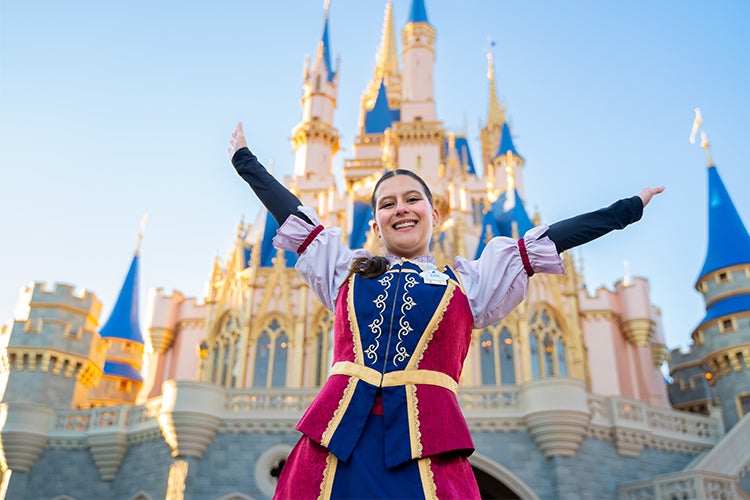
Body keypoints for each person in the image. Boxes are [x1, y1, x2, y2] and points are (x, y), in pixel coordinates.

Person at [228, 122, 663, 499]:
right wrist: (246, 162)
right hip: (333, 445)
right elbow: (294, 216)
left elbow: (545, 241)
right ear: (374, 224)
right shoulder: (345, 271)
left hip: (426, 450)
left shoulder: (468, 283)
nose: (401, 207)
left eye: (412, 198)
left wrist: (625, 211)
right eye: (387, 203)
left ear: (434, 214)